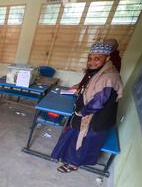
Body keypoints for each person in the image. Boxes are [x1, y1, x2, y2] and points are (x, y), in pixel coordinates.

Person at [52, 42, 124, 173]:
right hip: (88, 115)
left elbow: (98, 102)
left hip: (95, 118)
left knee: (85, 142)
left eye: (97, 58)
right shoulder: (100, 72)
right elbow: (90, 87)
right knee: (74, 136)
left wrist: (81, 113)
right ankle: (70, 158)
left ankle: (74, 164)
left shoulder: (109, 77)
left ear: (107, 58)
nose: (92, 62)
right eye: (90, 58)